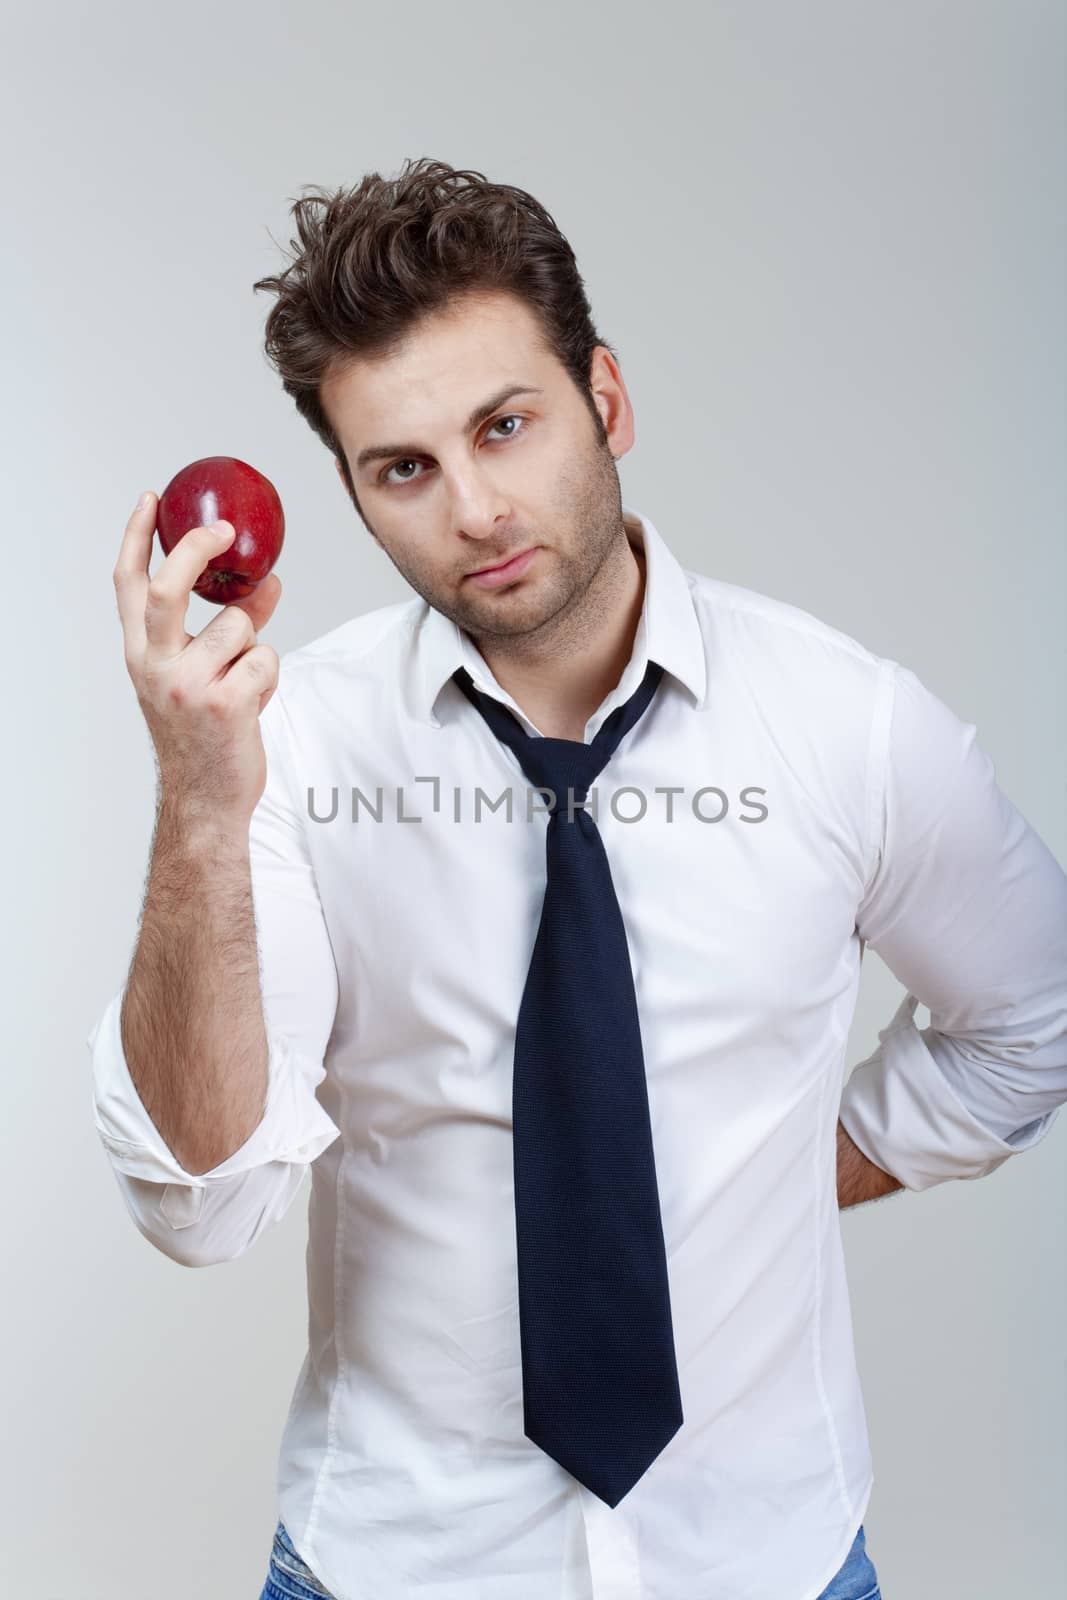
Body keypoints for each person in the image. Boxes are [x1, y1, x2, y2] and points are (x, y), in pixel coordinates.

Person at [88, 158, 1067, 1600]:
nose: (477, 509)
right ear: (355, 498)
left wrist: (787, 1177)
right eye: (405, 468)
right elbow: (199, 1206)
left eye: (507, 425)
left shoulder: (848, 727)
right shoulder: (284, 750)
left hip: (769, 1560)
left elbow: (1033, 1019)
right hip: (394, 1565)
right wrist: (197, 802)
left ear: (604, 401)